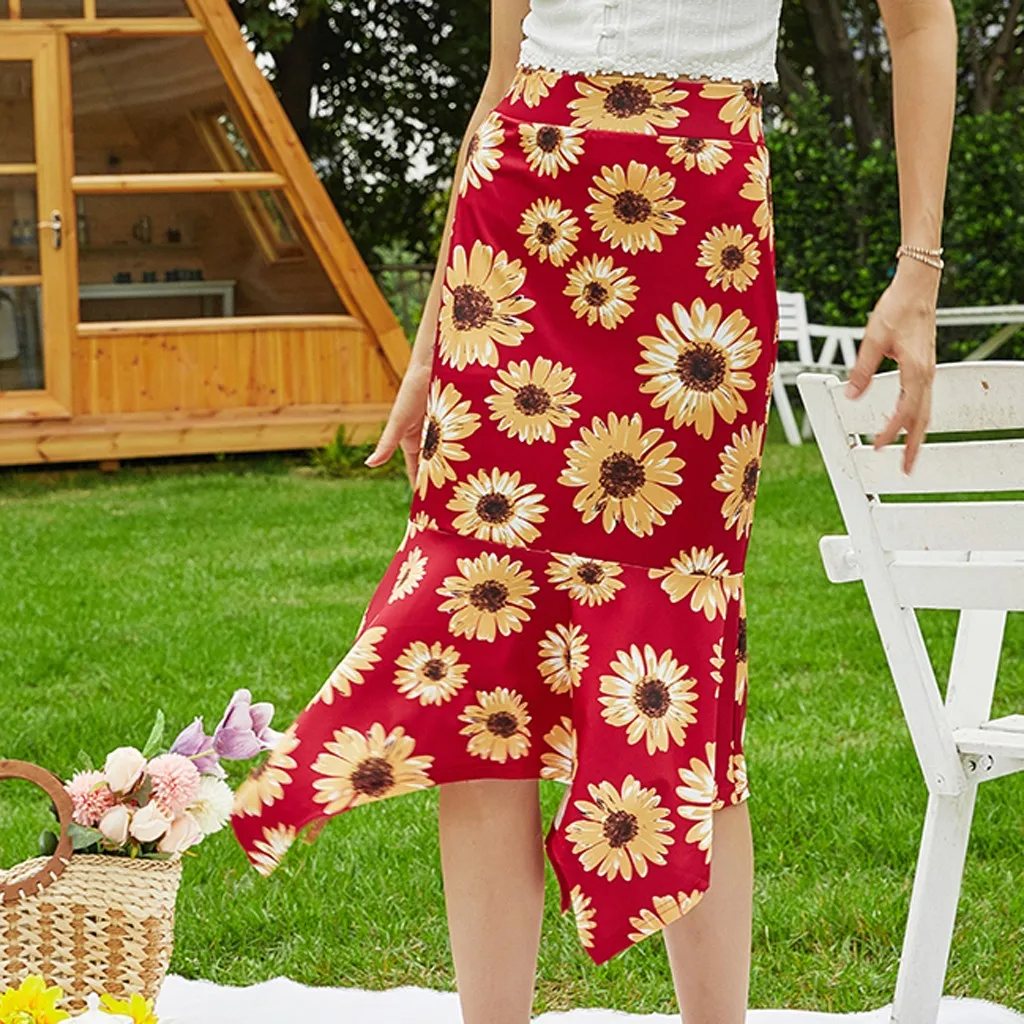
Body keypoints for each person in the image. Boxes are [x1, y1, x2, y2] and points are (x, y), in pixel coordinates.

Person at [230, 0, 956, 1020]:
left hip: (696, 235)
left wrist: (918, 273)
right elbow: (502, 81)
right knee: (478, 640)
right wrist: (434, 341)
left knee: (679, 641)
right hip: (513, 233)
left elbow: (919, 25)